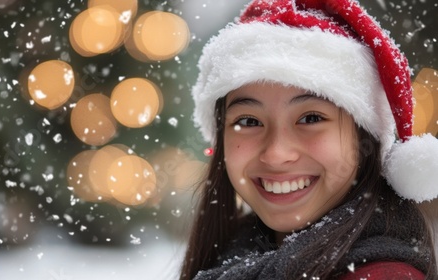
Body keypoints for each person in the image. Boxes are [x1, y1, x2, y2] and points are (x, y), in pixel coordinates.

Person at [180, 0, 438, 279]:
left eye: (311, 118)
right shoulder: (232, 258)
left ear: (364, 138)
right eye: (248, 121)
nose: (276, 153)